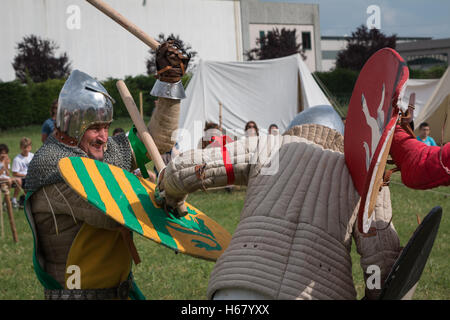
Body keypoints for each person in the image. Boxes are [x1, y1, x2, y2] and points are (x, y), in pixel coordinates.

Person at [158, 105, 401, 300]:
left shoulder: (267, 146)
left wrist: (170, 197)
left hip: (238, 285)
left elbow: (185, 170)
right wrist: (373, 293)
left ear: (295, 127)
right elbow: (382, 261)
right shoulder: (366, 176)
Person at [25, 40, 190, 300]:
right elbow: (112, 213)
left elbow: (156, 141)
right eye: (94, 128)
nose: (104, 137)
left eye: (106, 126)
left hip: (121, 291)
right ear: (72, 125)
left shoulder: (105, 151)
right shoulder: (53, 167)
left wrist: (169, 85)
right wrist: (163, 192)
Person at [11, 137, 34, 208]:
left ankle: (26, 199)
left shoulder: (32, 156)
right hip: (21, 178)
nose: (26, 149)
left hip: (31, 177)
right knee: (21, 181)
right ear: (21, 147)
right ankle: (14, 200)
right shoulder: (17, 159)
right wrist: (26, 175)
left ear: (30, 147)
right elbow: (15, 173)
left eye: (28, 147)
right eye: (24, 147)